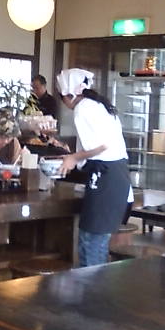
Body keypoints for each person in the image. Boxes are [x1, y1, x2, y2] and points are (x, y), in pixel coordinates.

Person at [56, 68, 132, 267]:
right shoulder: (98, 105)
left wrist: (73, 158)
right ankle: (95, 285)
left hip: (106, 177)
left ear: (68, 95)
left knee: (91, 243)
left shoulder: (83, 108)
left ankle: (93, 287)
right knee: (94, 241)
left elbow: (101, 146)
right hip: (116, 175)